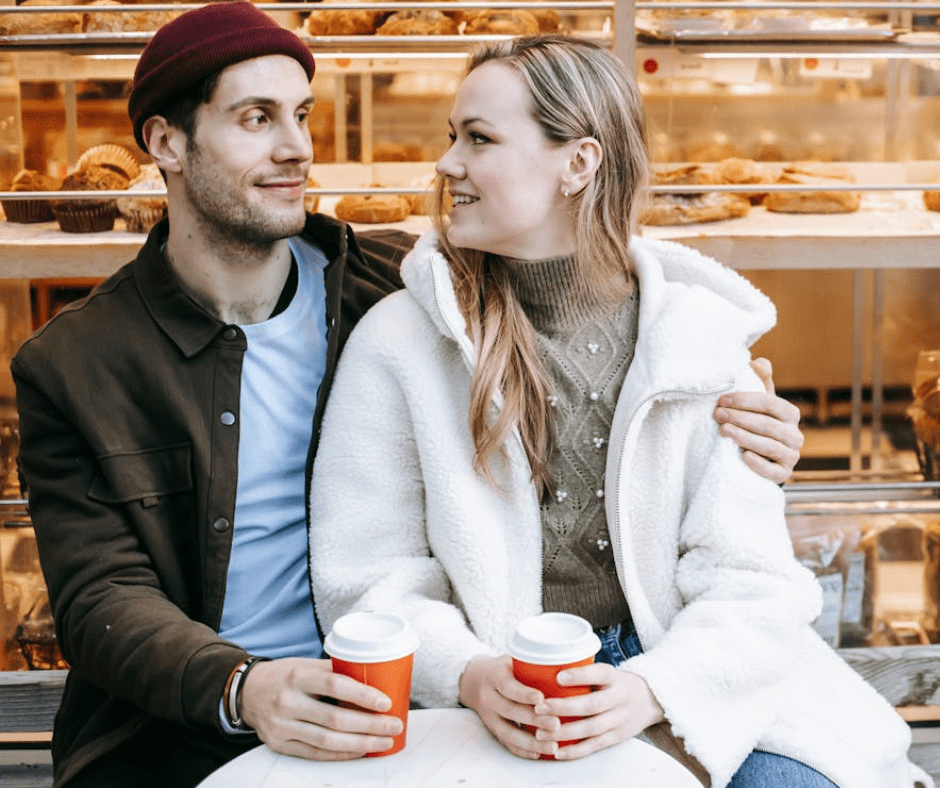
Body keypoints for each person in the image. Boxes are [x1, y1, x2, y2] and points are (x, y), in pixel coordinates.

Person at [11, 7, 801, 788]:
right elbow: (100, 598)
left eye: (302, 115)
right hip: (190, 718)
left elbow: (582, 273)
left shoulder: (398, 288)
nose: (297, 149)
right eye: (257, 118)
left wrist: (743, 403)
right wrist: (243, 689)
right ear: (166, 143)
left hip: (395, 699)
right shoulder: (76, 362)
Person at [309, 35, 931, 788]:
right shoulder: (399, 343)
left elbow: (751, 580)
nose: (446, 164)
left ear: (579, 164)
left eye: (479, 138)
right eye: (452, 137)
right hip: (495, 689)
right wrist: (470, 674)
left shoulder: (699, 341)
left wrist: (653, 688)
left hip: (688, 674)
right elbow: (367, 573)